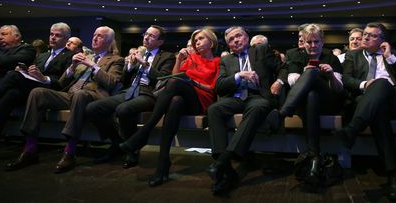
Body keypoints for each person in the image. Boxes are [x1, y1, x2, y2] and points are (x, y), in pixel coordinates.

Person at [5, 26, 124, 173]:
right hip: (71, 94)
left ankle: (70, 151)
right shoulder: (85, 56)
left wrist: (92, 65)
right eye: (94, 34)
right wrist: (72, 67)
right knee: (38, 92)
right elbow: (61, 83)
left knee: (80, 95)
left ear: (109, 41)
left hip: (93, 96)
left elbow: (111, 82)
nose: (94, 38)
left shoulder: (116, 60)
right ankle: (30, 148)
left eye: (100, 36)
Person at [119, 28, 220, 187]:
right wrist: (179, 60)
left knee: (177, 86)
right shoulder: (192, 58)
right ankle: (162, 163)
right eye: (195, 41)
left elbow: (215, 89)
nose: (197, 43)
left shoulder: (218, 62)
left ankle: (145, 132)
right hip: (184, 97)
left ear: (211, 42)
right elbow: (173, 77)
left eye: (200, 39)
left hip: (201, 101)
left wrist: (193, 83)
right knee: (175, 101)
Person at [339, 22, 396, 201]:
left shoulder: (394, 55)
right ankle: (393, 176)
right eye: (365, 33)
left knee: (381, 82)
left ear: (382, 40)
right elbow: (347, 79)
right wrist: (364, 84)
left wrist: (390, 58)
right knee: (378, 111)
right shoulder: (353, 55)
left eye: (372, 35)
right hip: (367, 102)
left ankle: (353, 129)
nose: (365, 37)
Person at [84, 25, 175, 166]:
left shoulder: (166, 56)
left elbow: (163, 78)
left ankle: (132, 151)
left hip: (148, 93)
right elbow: (123, 81)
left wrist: (144, 64)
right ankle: (118, 142)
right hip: (128, 91)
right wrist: (129, 66)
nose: (146, 37)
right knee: (92, 108)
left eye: (152, 36)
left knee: (123, 109)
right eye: (146, 34)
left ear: (160, 42)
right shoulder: (138, 53)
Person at [0, 22, 75, 165]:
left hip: (51, 90)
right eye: (51, 34)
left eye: (58, 35)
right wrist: (24, 72)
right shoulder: (42, 56)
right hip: (31, 88)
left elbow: (63, 83)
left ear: (66, 39)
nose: (53, 38)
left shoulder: (71, 56)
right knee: (11, 94)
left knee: (13, 77)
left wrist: (43, 78)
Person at [206, 26, 281, 196]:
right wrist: (239, 75)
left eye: (238, 36)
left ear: (247, 37)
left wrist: (280, 82)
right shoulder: (227, 61)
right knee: (214, 109)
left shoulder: (260, 50)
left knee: (258, 107)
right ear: (229, 46)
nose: (236, 40)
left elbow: (282, 68)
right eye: (231, 40)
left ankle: (222, 164)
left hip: (257, 96)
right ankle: (225, 169)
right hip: (236, 98)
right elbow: (219, 86)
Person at [268, 24, 344, 185]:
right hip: (304, 102)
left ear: (322, 42)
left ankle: (282, 114)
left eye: (316, 42)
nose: (313, 46)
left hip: (328, 101)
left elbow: (338, 90)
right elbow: (292, 82)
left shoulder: (331, 58)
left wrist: (331, 76)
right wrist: (307, 73)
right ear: (303, 42)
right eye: (309, 42)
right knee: (311, 93)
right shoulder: (297, 56)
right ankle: (314, 158)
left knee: (313, 76)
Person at [0, 25, 36, 94]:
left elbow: (14, 60)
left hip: (4, 86)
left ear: (17, 36)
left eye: (3, 34)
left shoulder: (26, 49)